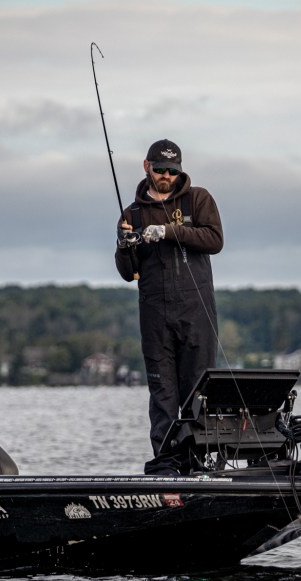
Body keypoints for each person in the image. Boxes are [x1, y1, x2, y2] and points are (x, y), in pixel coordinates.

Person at [115, 140, 224, 475]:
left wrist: (168, 232)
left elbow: (214, 240)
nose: (166, 176)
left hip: (196, 311)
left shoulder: (198, 199)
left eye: (172, 171)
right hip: (155, 314)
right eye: (160, 170)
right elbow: (127, 272)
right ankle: (165, 463)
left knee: (198, 390)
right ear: (146, 167)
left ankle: (198, 461)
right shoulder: (131, 213)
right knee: (162, 392)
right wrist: (124, 245)